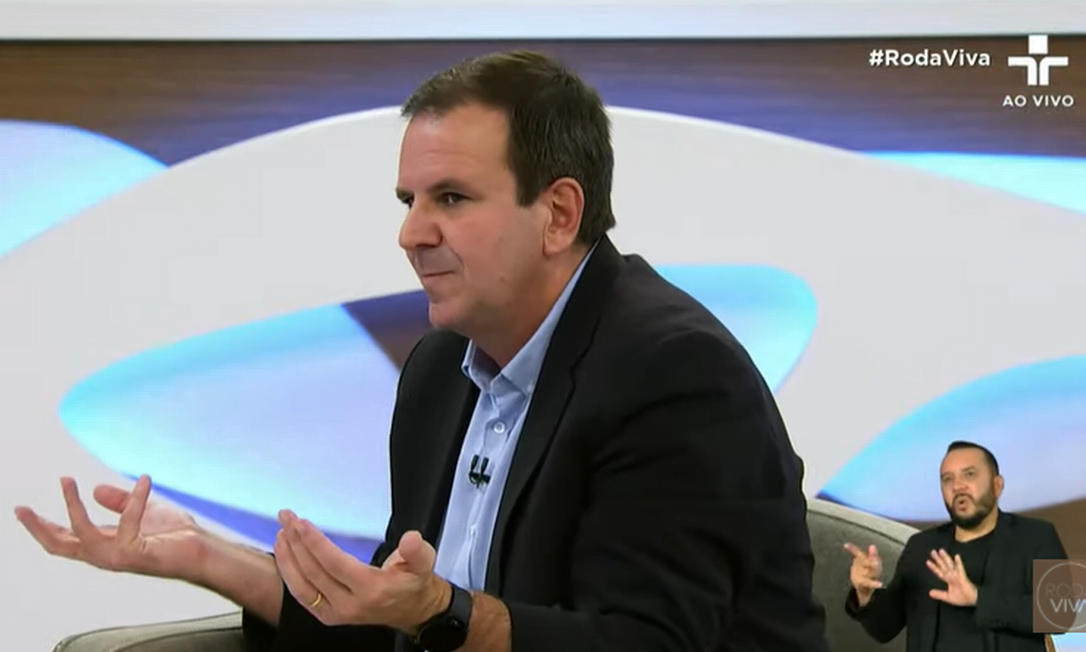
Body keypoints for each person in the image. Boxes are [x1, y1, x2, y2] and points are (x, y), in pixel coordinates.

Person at [15, 49, 830, 652]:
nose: (410, 233)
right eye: (409, 200)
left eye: (452, 198)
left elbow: (647, 643)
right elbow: (389, 619)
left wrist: (442, 611)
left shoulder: (674, 374)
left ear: (558, 213)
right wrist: (208, 556)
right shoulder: (442, 371)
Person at [843, 440, 1068, 652]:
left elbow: (1064, 614)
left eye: (969, 474)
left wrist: (979, 598)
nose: (957, 486)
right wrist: (865, 594)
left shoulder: (1037, 535)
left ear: (997, 485)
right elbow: (884, 630)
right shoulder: (921, 546)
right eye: (947, 479)